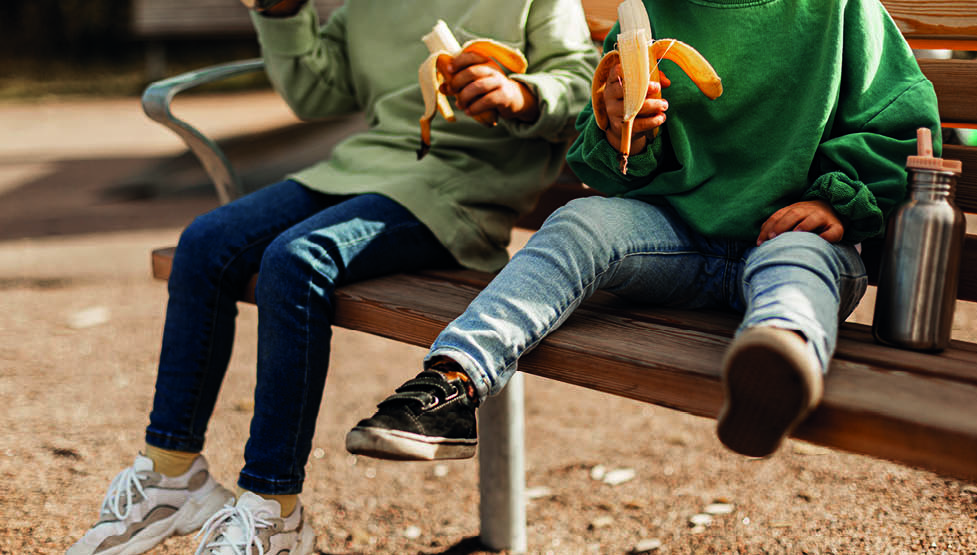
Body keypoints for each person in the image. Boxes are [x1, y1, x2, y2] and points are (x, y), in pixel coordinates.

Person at [68, 0, 598, 553]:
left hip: (457, 192)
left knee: (297, 260)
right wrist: (281, 14)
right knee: (204, 243)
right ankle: (171, 473)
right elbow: (314, 91)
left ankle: (275, 508)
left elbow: (580, 87)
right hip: (361, 169)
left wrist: (522, 94)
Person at [345, 0, 941, 465]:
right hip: (674, 240)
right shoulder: (650, 12)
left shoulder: (842, 12)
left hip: (796, 236)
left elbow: (901, 124)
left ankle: (779, 357)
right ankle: (453, 381)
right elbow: (599, 162)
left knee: (798, 265)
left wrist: (835, 199)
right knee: (580, 221)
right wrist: (618, 129)